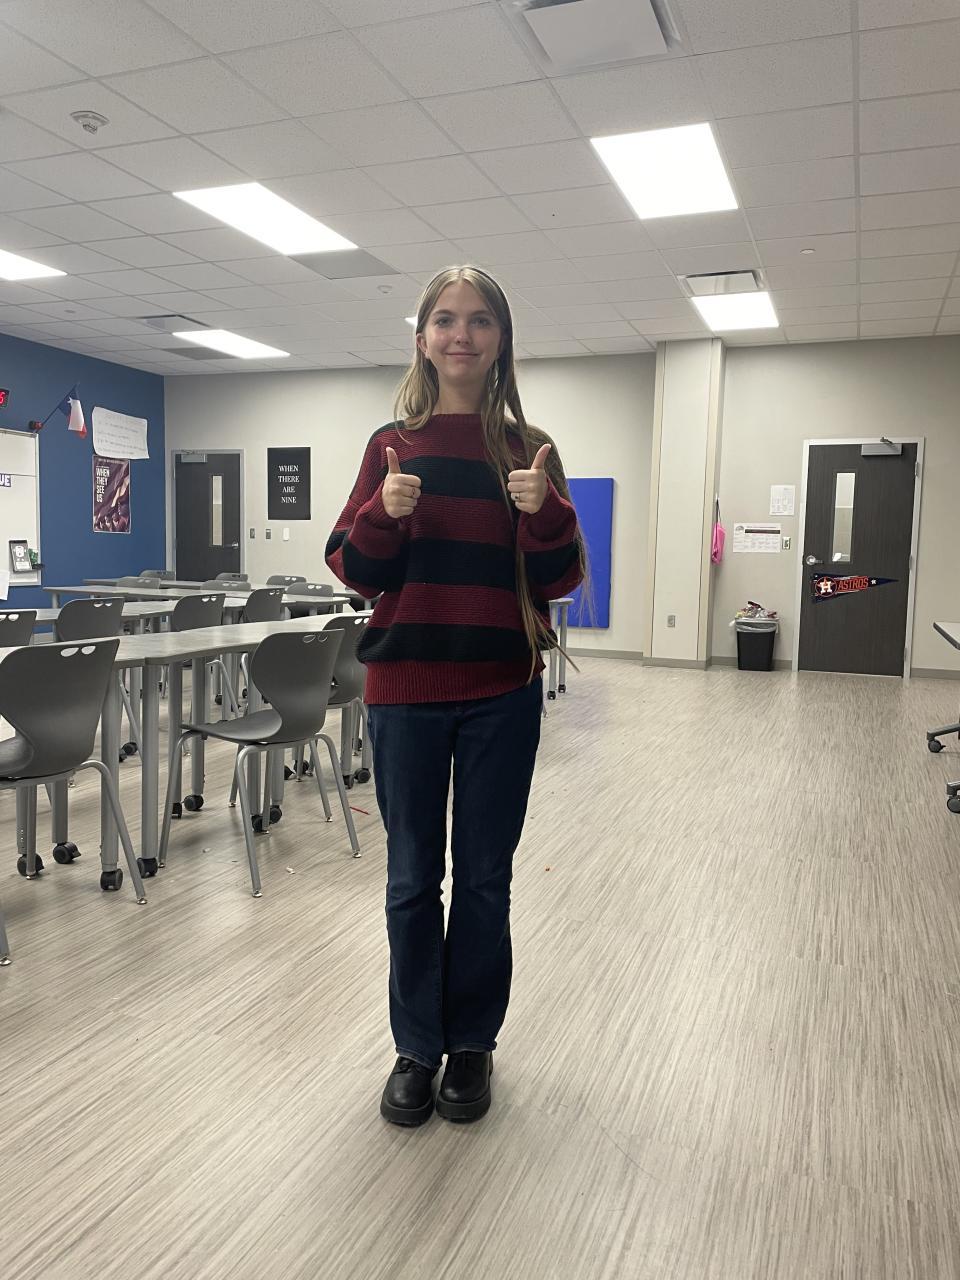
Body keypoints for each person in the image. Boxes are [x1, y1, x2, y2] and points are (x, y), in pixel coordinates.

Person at [326, 265, 585, 1126]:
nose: (461, 334)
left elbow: (563, 578)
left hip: (500, 693)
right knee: (410, 882)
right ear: (422, 338)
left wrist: (544, 512)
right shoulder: (390, 445)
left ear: (501, 339)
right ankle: (416, 1047)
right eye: (445, 319)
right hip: (404, 691)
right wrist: (383, 514)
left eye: (479, 320)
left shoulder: (528, 448)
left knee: (482, 881)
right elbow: (357, 571)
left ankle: (471, 1043)